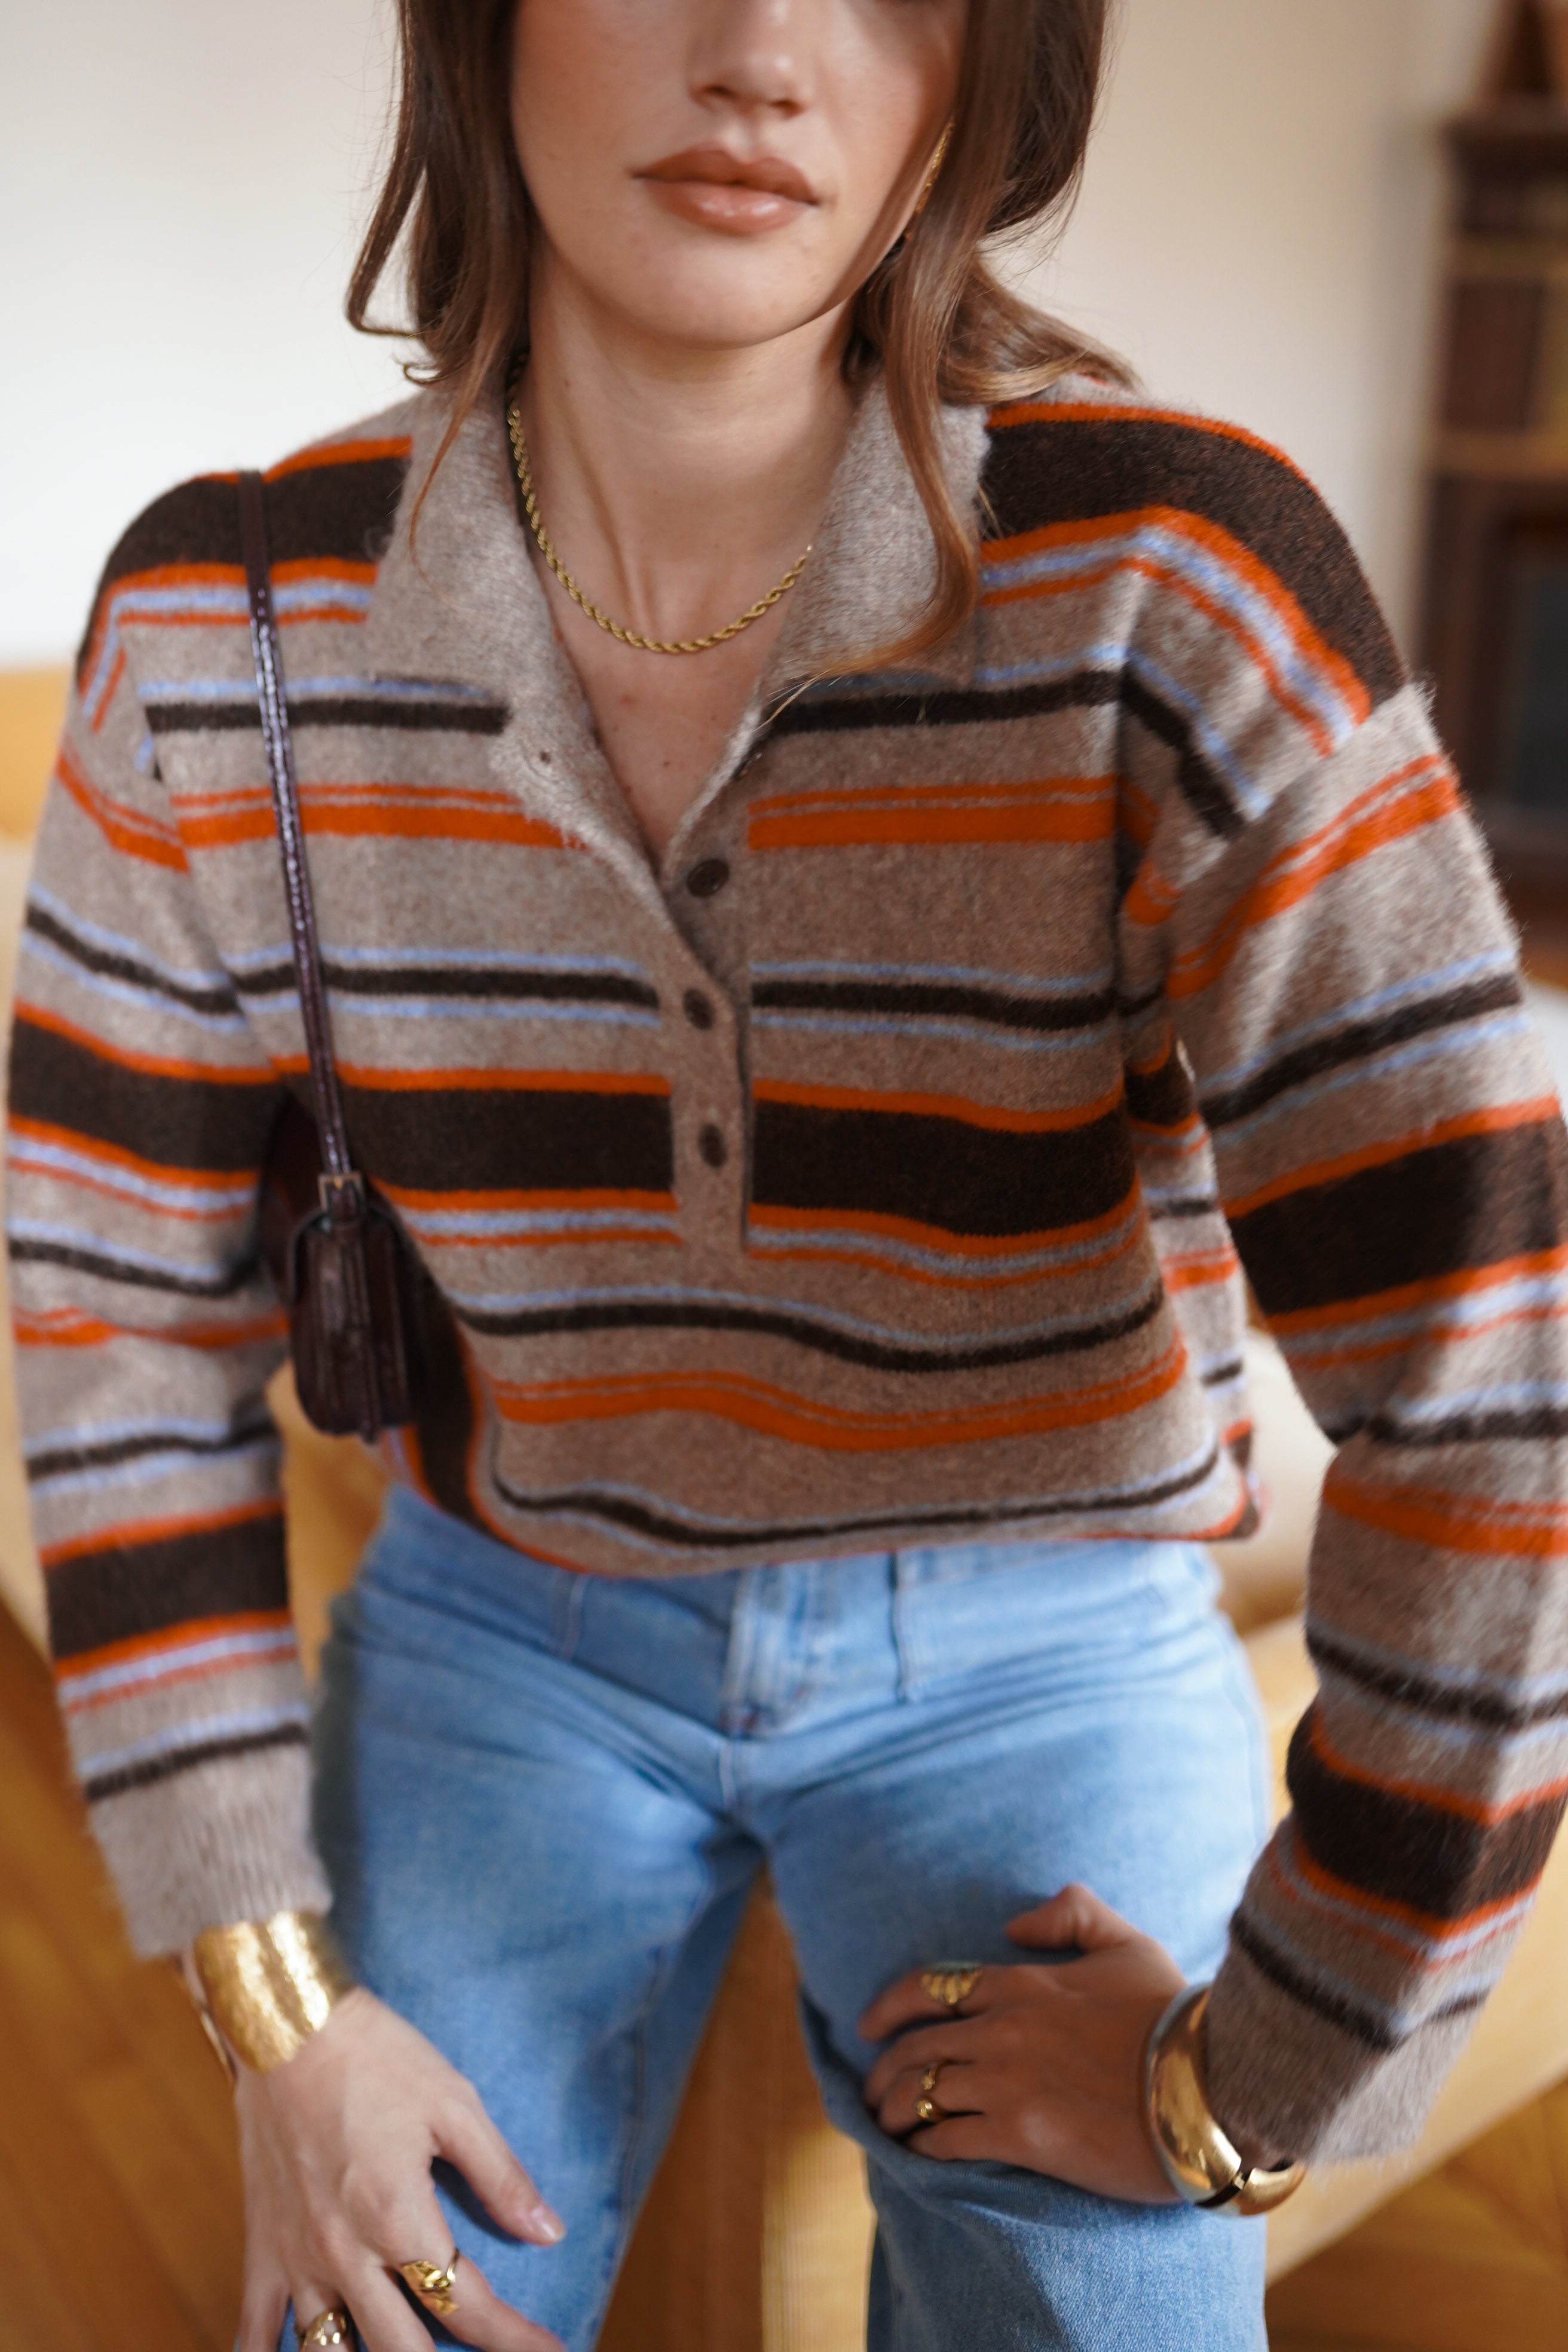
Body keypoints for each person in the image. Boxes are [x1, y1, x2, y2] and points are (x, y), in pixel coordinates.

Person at [11, 1, 1568, 2347]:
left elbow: (1491, 1382)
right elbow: (116, 1330)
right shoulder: (210, 636)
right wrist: (273, 2004)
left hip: (1044, 1635)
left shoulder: (1175, 585)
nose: (762, 52)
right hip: (498, 1632)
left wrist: (1253, 2074)